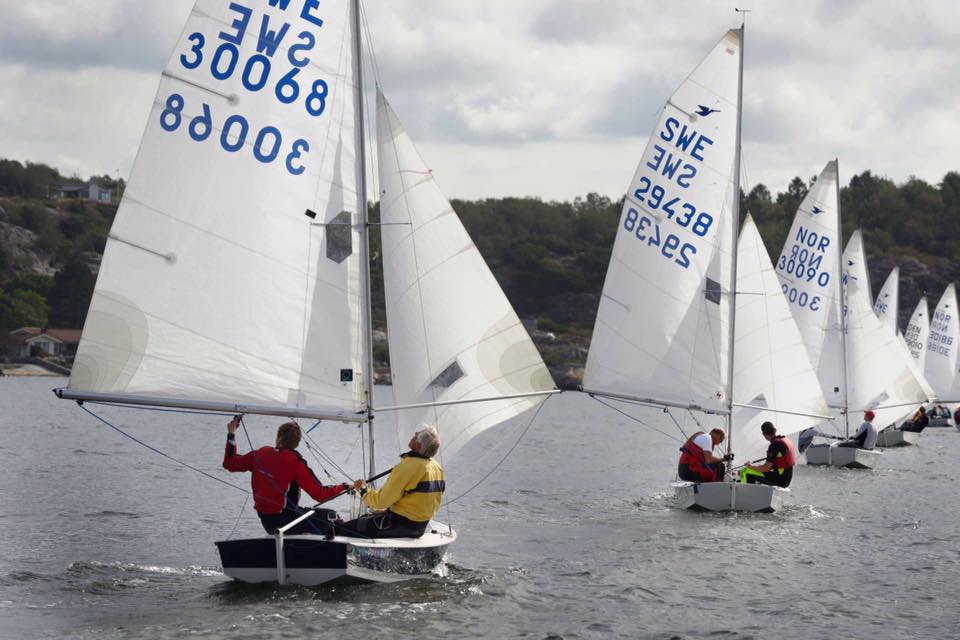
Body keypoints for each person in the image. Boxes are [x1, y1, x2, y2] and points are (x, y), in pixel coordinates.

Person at [222, 417, 349, 535]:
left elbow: (230, 464)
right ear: (297, 443)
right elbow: (320, 494)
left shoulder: (260, 453)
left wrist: (231, 434)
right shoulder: (296, 463)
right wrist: (345, 487)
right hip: (286, 521)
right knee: (331, 516)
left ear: (279, 437)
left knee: (308, 513)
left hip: (266, 520)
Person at [343, 425, 445, 538]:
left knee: (339, 529)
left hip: (399, 526)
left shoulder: (409, 467)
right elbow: (421, 500)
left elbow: (380, 501)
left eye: (417, 435)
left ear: (418, 446)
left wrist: (363, 489)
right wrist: (388, 511)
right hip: (419, 527)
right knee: (363, 518)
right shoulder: (436, 467)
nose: (415, 433)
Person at [739, 422, 797, 488]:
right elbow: (771, 465)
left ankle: (744, 492)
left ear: (764, 434)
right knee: (754, 471)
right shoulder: (784, 440)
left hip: (779, 480)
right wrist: (756, 467)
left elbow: (766, 468)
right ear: (775, 430)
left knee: (746, 471)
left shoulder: (774, 445)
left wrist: (750, 466)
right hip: (786, 479)